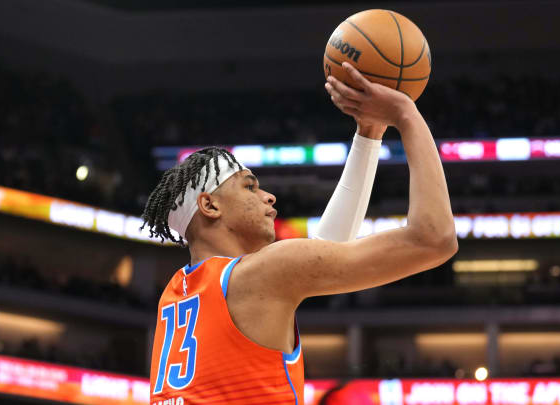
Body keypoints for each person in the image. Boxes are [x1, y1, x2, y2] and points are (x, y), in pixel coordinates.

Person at [144, 62, 457, 405]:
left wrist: (369, 134)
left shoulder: (175, 294)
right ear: (210, 206)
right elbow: (434, 238)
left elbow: (322, 251)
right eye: (250, 187)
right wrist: (405, 113)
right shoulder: (259, 274)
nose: (269, 196)